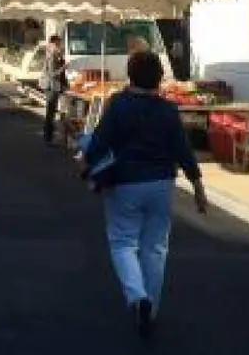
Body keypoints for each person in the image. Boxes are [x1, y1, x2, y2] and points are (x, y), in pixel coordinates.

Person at [81, 50, 209, 339]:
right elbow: (183, 151)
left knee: (123, 242)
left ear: (130, 74)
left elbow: (100, 142)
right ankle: (149, 311)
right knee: (155, 248)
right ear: (159, 78)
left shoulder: (118, 105)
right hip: (161, 183)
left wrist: (88, 165)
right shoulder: (168, 110)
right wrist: (198, 188)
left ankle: (137, 297)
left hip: (124, 182)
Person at [41, 35, 67, 145]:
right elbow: (53, 74)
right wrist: (64, 67)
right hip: (51, 86)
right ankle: (48, 138)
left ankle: (48, 136)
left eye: (59, 44)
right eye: (58, 44)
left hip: (53, 86)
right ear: (52, 44)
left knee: (51, 112)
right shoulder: (52, 56)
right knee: (50, 112)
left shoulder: (55, 54)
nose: (59, 46)